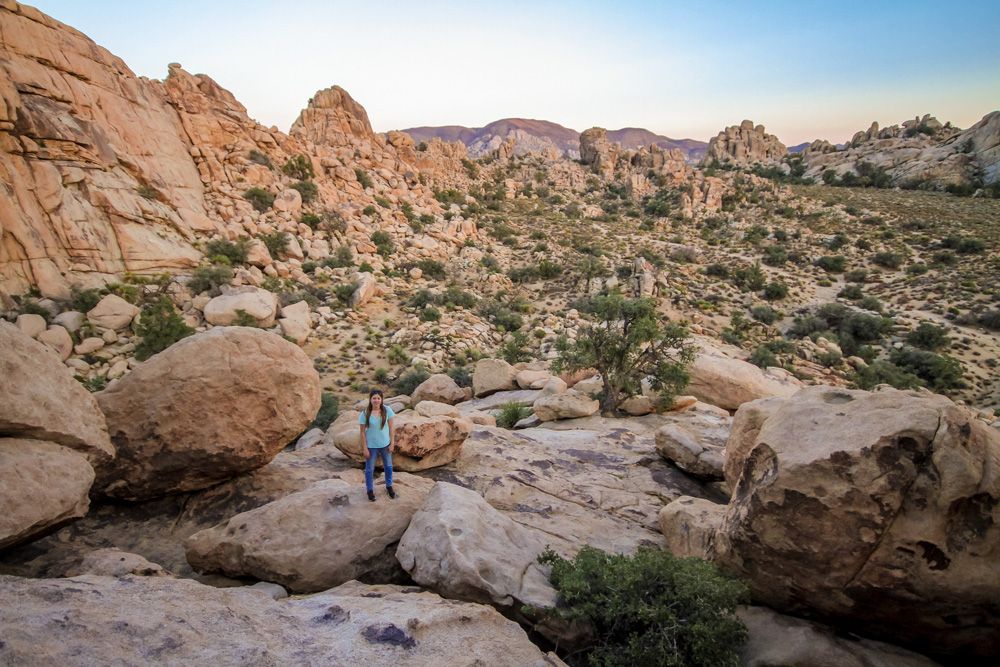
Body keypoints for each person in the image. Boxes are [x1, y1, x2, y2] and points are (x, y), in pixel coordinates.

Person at [358, 388, 396, 501]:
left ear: (381, 399)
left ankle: (389, 486)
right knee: (369, 469)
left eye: (378, 398)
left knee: (388, 466)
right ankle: (370, 490)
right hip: (371, 446)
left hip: (385, 444)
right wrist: (365, 448)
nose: (376, 400)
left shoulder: (387, 410)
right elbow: (362, 432)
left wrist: (392, 443)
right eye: (374, 398)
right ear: (370, 399)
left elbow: (392, 428)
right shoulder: (365, 413)